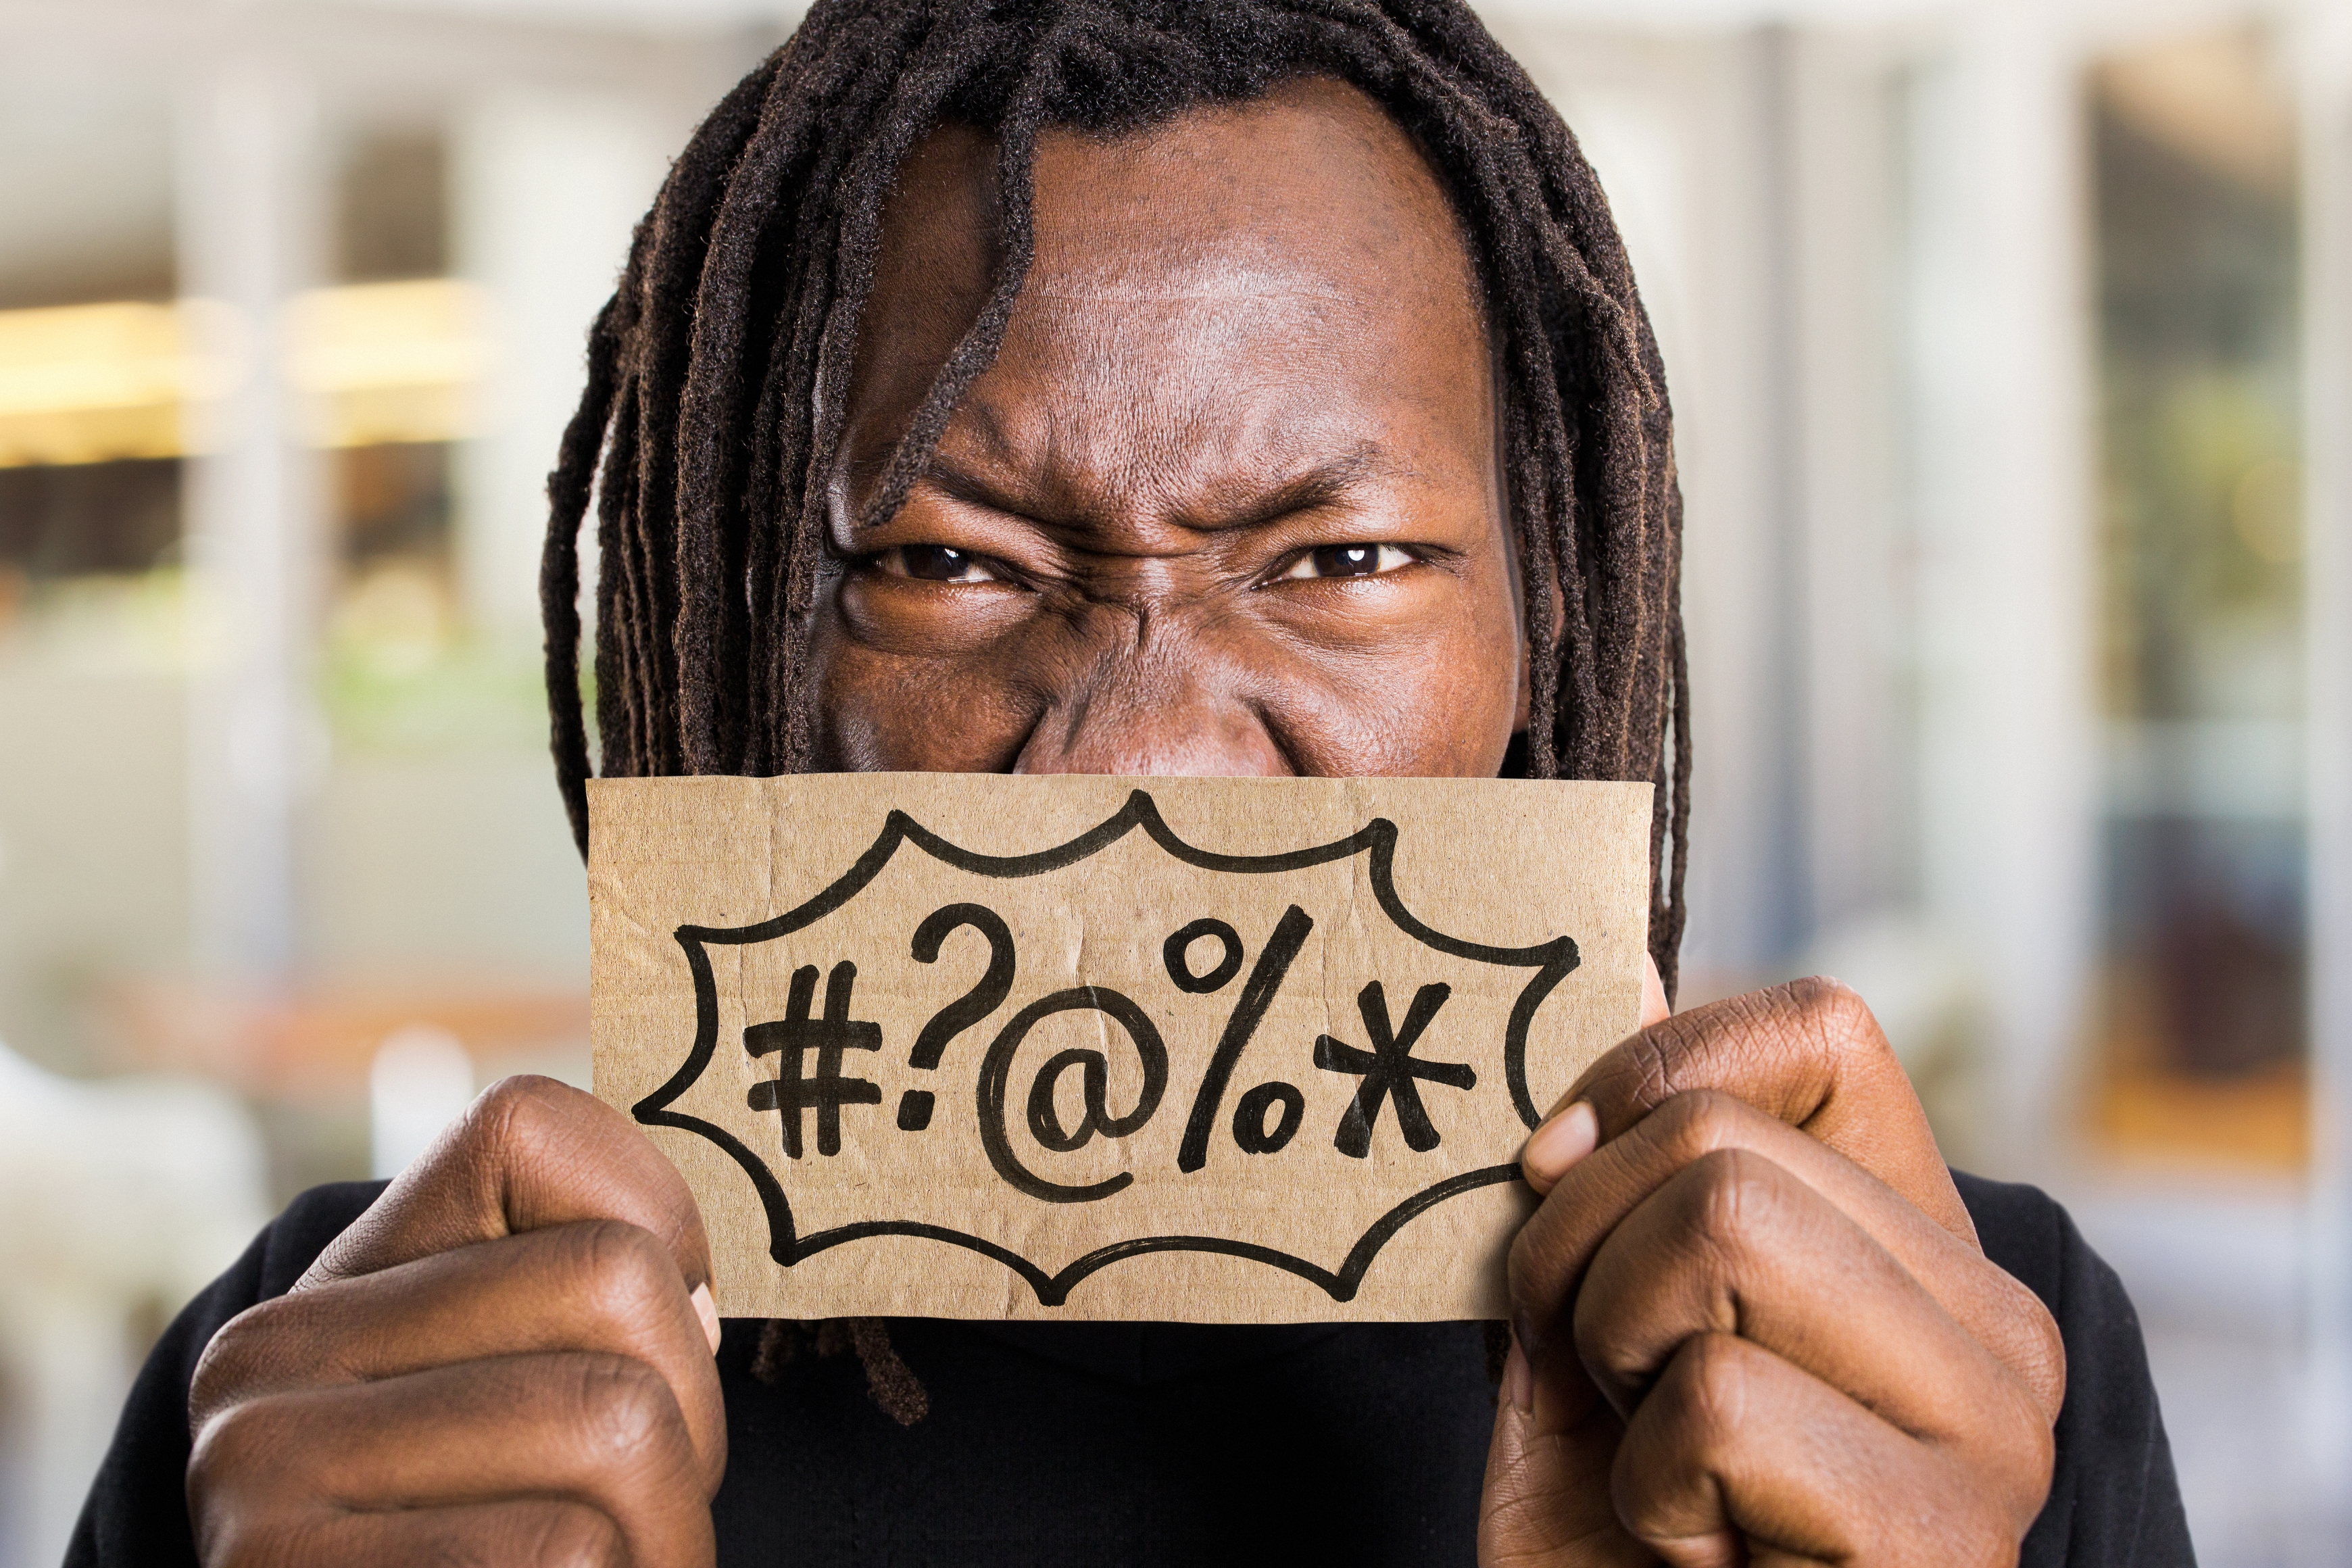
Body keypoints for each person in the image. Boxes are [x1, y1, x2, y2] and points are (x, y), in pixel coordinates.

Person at [70, 3, 2194, 1564]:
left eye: (1342, 563)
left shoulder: (1938, 1352)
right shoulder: (356, 1378)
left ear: (1550, 616)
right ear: (730, 634)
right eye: (944, 564)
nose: (1145, 751)